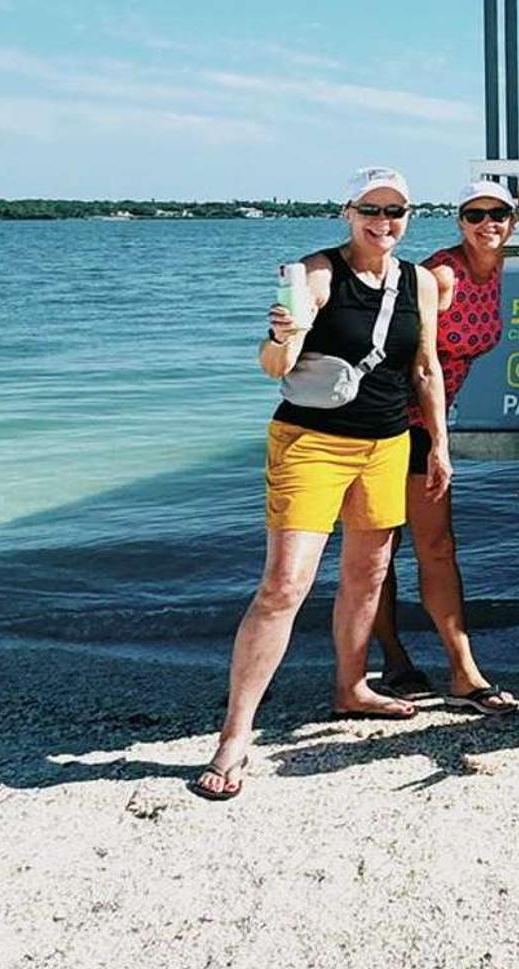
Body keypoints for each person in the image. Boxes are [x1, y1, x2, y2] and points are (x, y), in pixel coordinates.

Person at [191, 168, 446, 800]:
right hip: (311, 444)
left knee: (369, 573)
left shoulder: (419, 282)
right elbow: (274, 365)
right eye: (372, 209)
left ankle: (351, 687)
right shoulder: (316, 273)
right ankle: (235, 734)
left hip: (388, 444)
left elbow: (425, 367)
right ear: (348, 211)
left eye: (397, 210)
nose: (384, 221)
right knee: (283, 585)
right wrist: (280, 337)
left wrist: (439, 444)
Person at [369, 177, 519, 714]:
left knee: (438, 548)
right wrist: (441, 443)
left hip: (427, 421)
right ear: (458, 221)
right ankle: (393, 661)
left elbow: (497, 236)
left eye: (499, 216)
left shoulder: (493, 260)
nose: (488, 224)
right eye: (475, 215)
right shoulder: (442, 276)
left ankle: (462, 672)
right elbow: (418, 360)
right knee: (380, 550)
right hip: (390, 418)